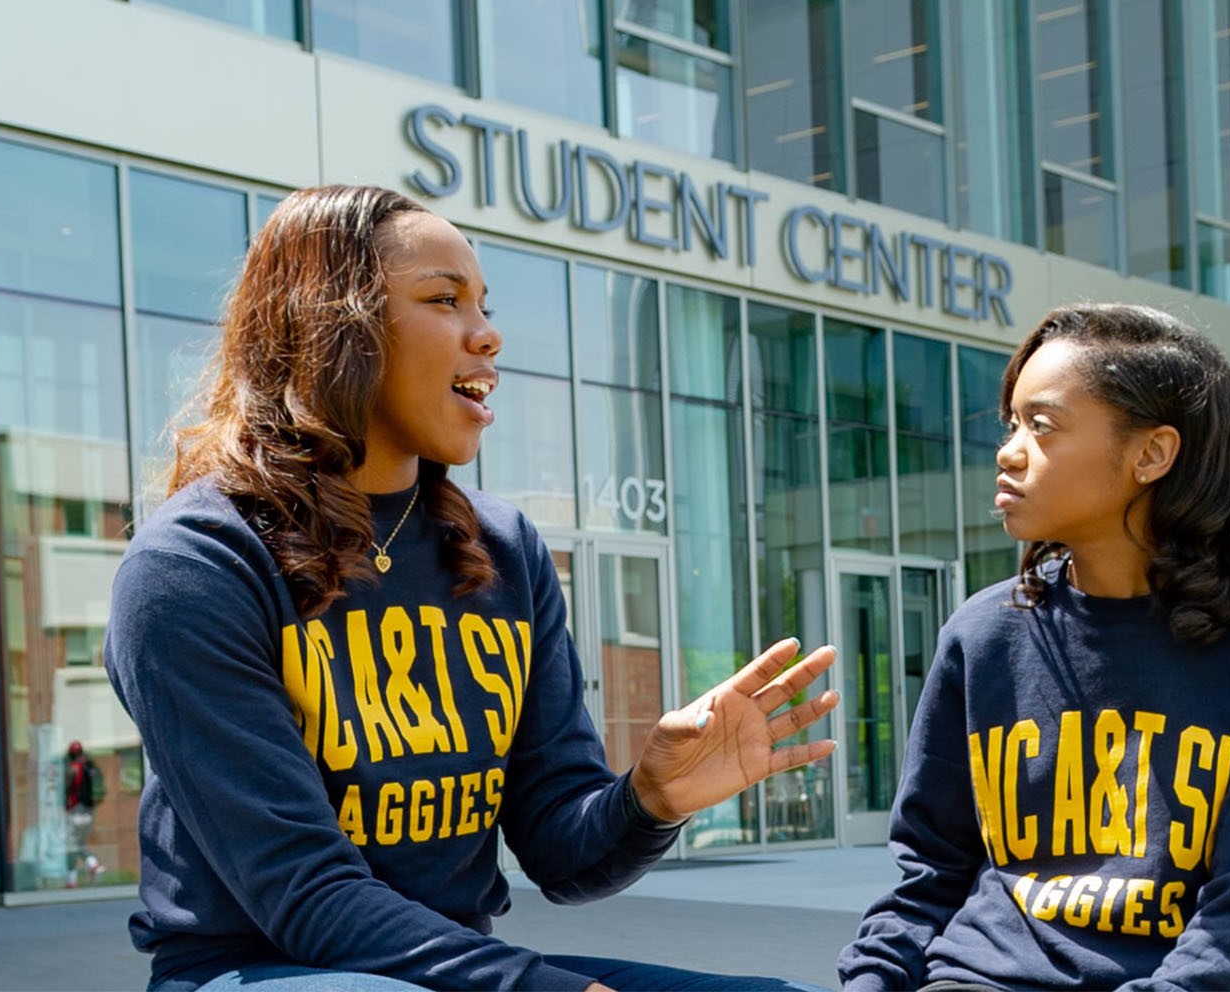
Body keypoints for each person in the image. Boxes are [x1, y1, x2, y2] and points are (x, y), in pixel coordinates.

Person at [103, 185, 841, 992]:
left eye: (483, 304)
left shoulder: (504, 550)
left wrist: (650, 799)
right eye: (443, 299)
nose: (487, 334)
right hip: (257, 968)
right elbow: (306, 895)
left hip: (444, 965)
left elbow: (561, 852)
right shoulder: (195, 565)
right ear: (333, 326)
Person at [838, 304, 1230, 991]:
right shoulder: (983, 635)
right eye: (1012, 424)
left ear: (1151, 455)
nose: (1008, 451)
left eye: (1042, 425)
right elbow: (929, 875)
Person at [63, 739, 104, 886]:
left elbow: (65, 790)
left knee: (71, 846)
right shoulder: (90, 768)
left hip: (75, 812)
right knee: (78, 844)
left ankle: (89, 866)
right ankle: (77, 876)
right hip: (89, 812)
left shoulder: (72, 769)